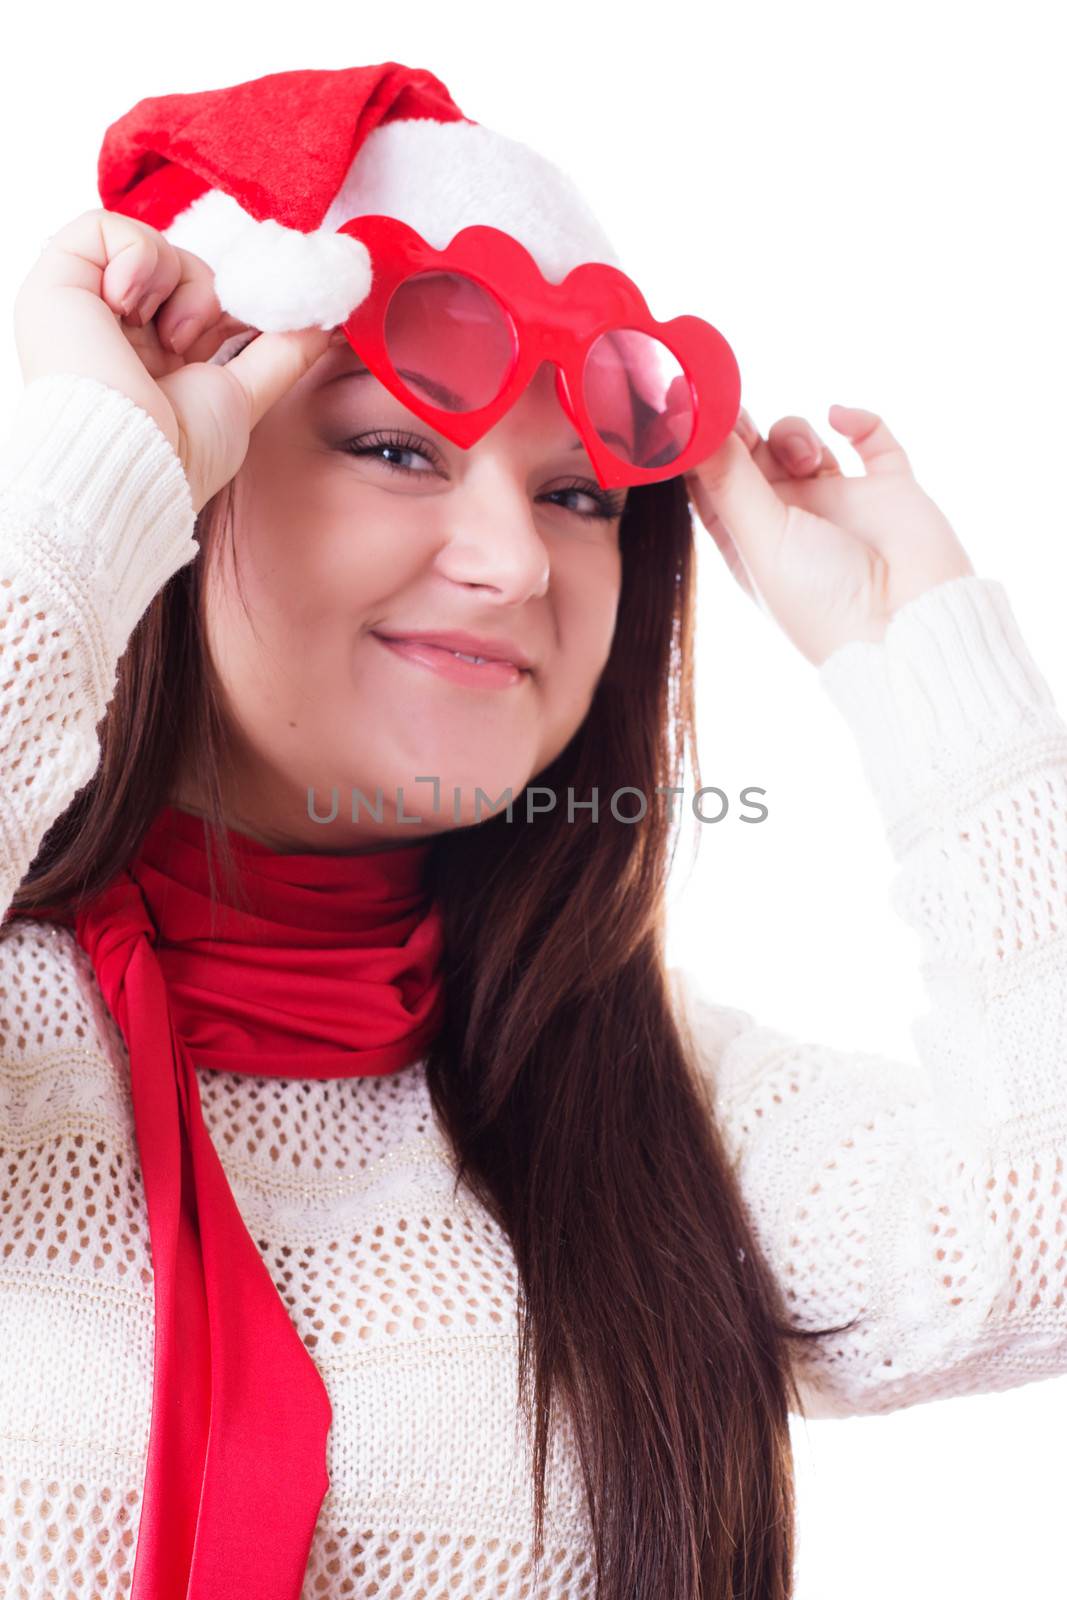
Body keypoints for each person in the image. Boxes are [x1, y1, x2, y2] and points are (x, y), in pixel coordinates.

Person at [1, 61, 1064, 1600]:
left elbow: (1041, 1247)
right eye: (394, 448)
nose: (512, 560)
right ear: (191, 466)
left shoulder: (641, 1095)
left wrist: (921, 658)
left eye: (578, 494)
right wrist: (78, 491)